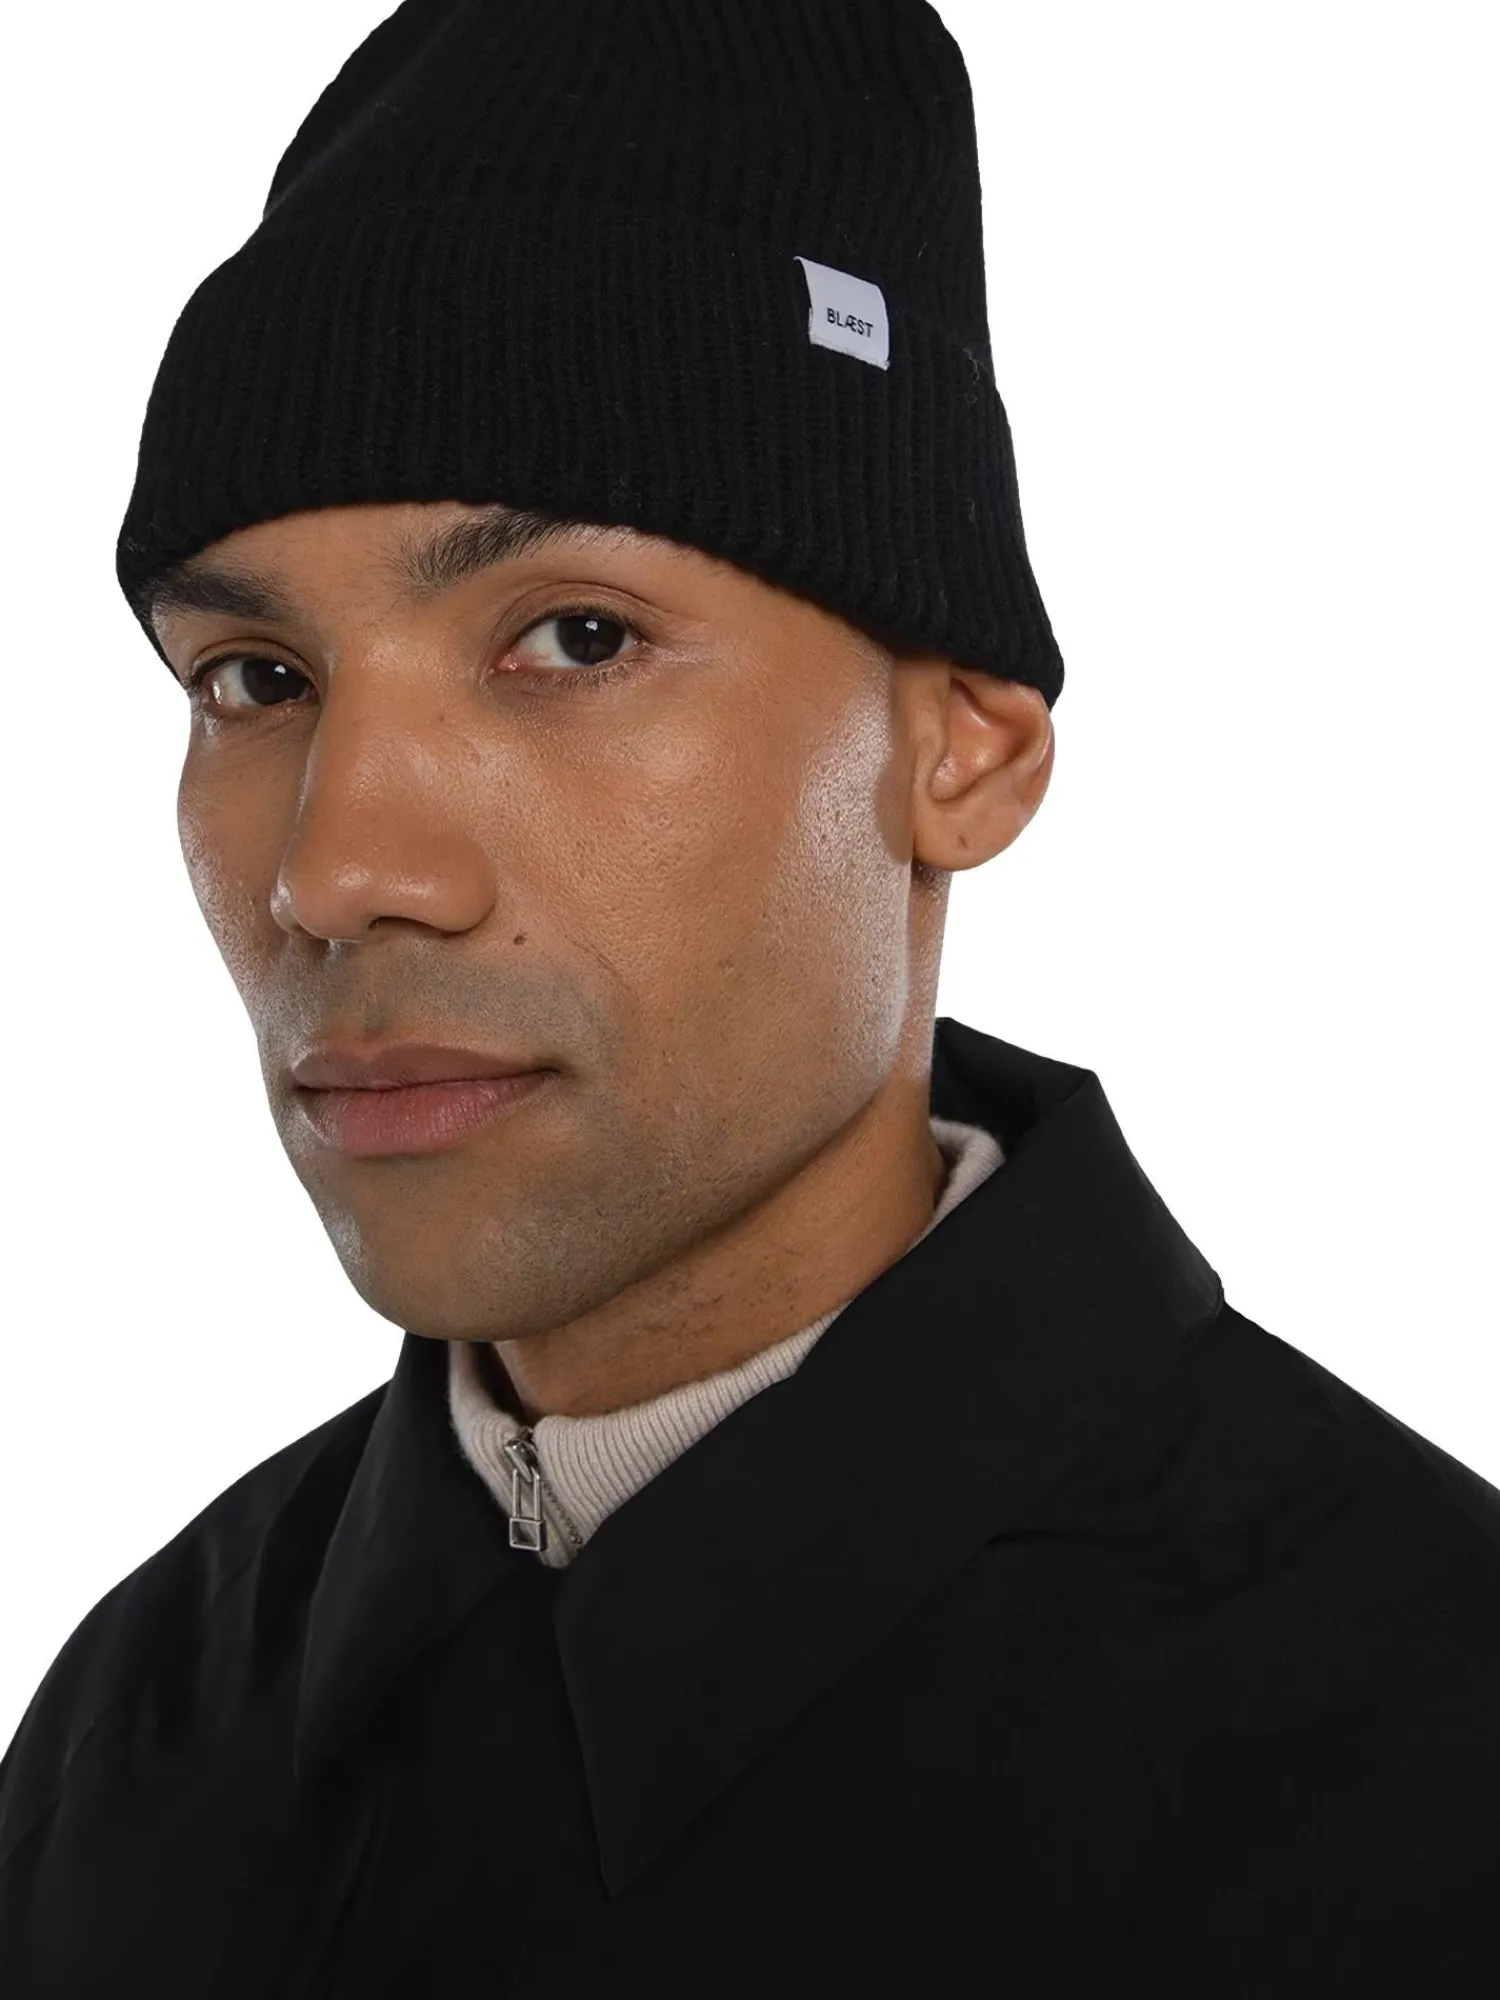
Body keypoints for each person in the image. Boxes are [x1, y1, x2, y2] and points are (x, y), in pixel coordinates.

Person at [3, 2, 1498, 1992]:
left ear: (960, 750)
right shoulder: (132, 1731)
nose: (338, 867)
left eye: (575, 636)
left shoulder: (1430, 1770)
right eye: (255, 681)